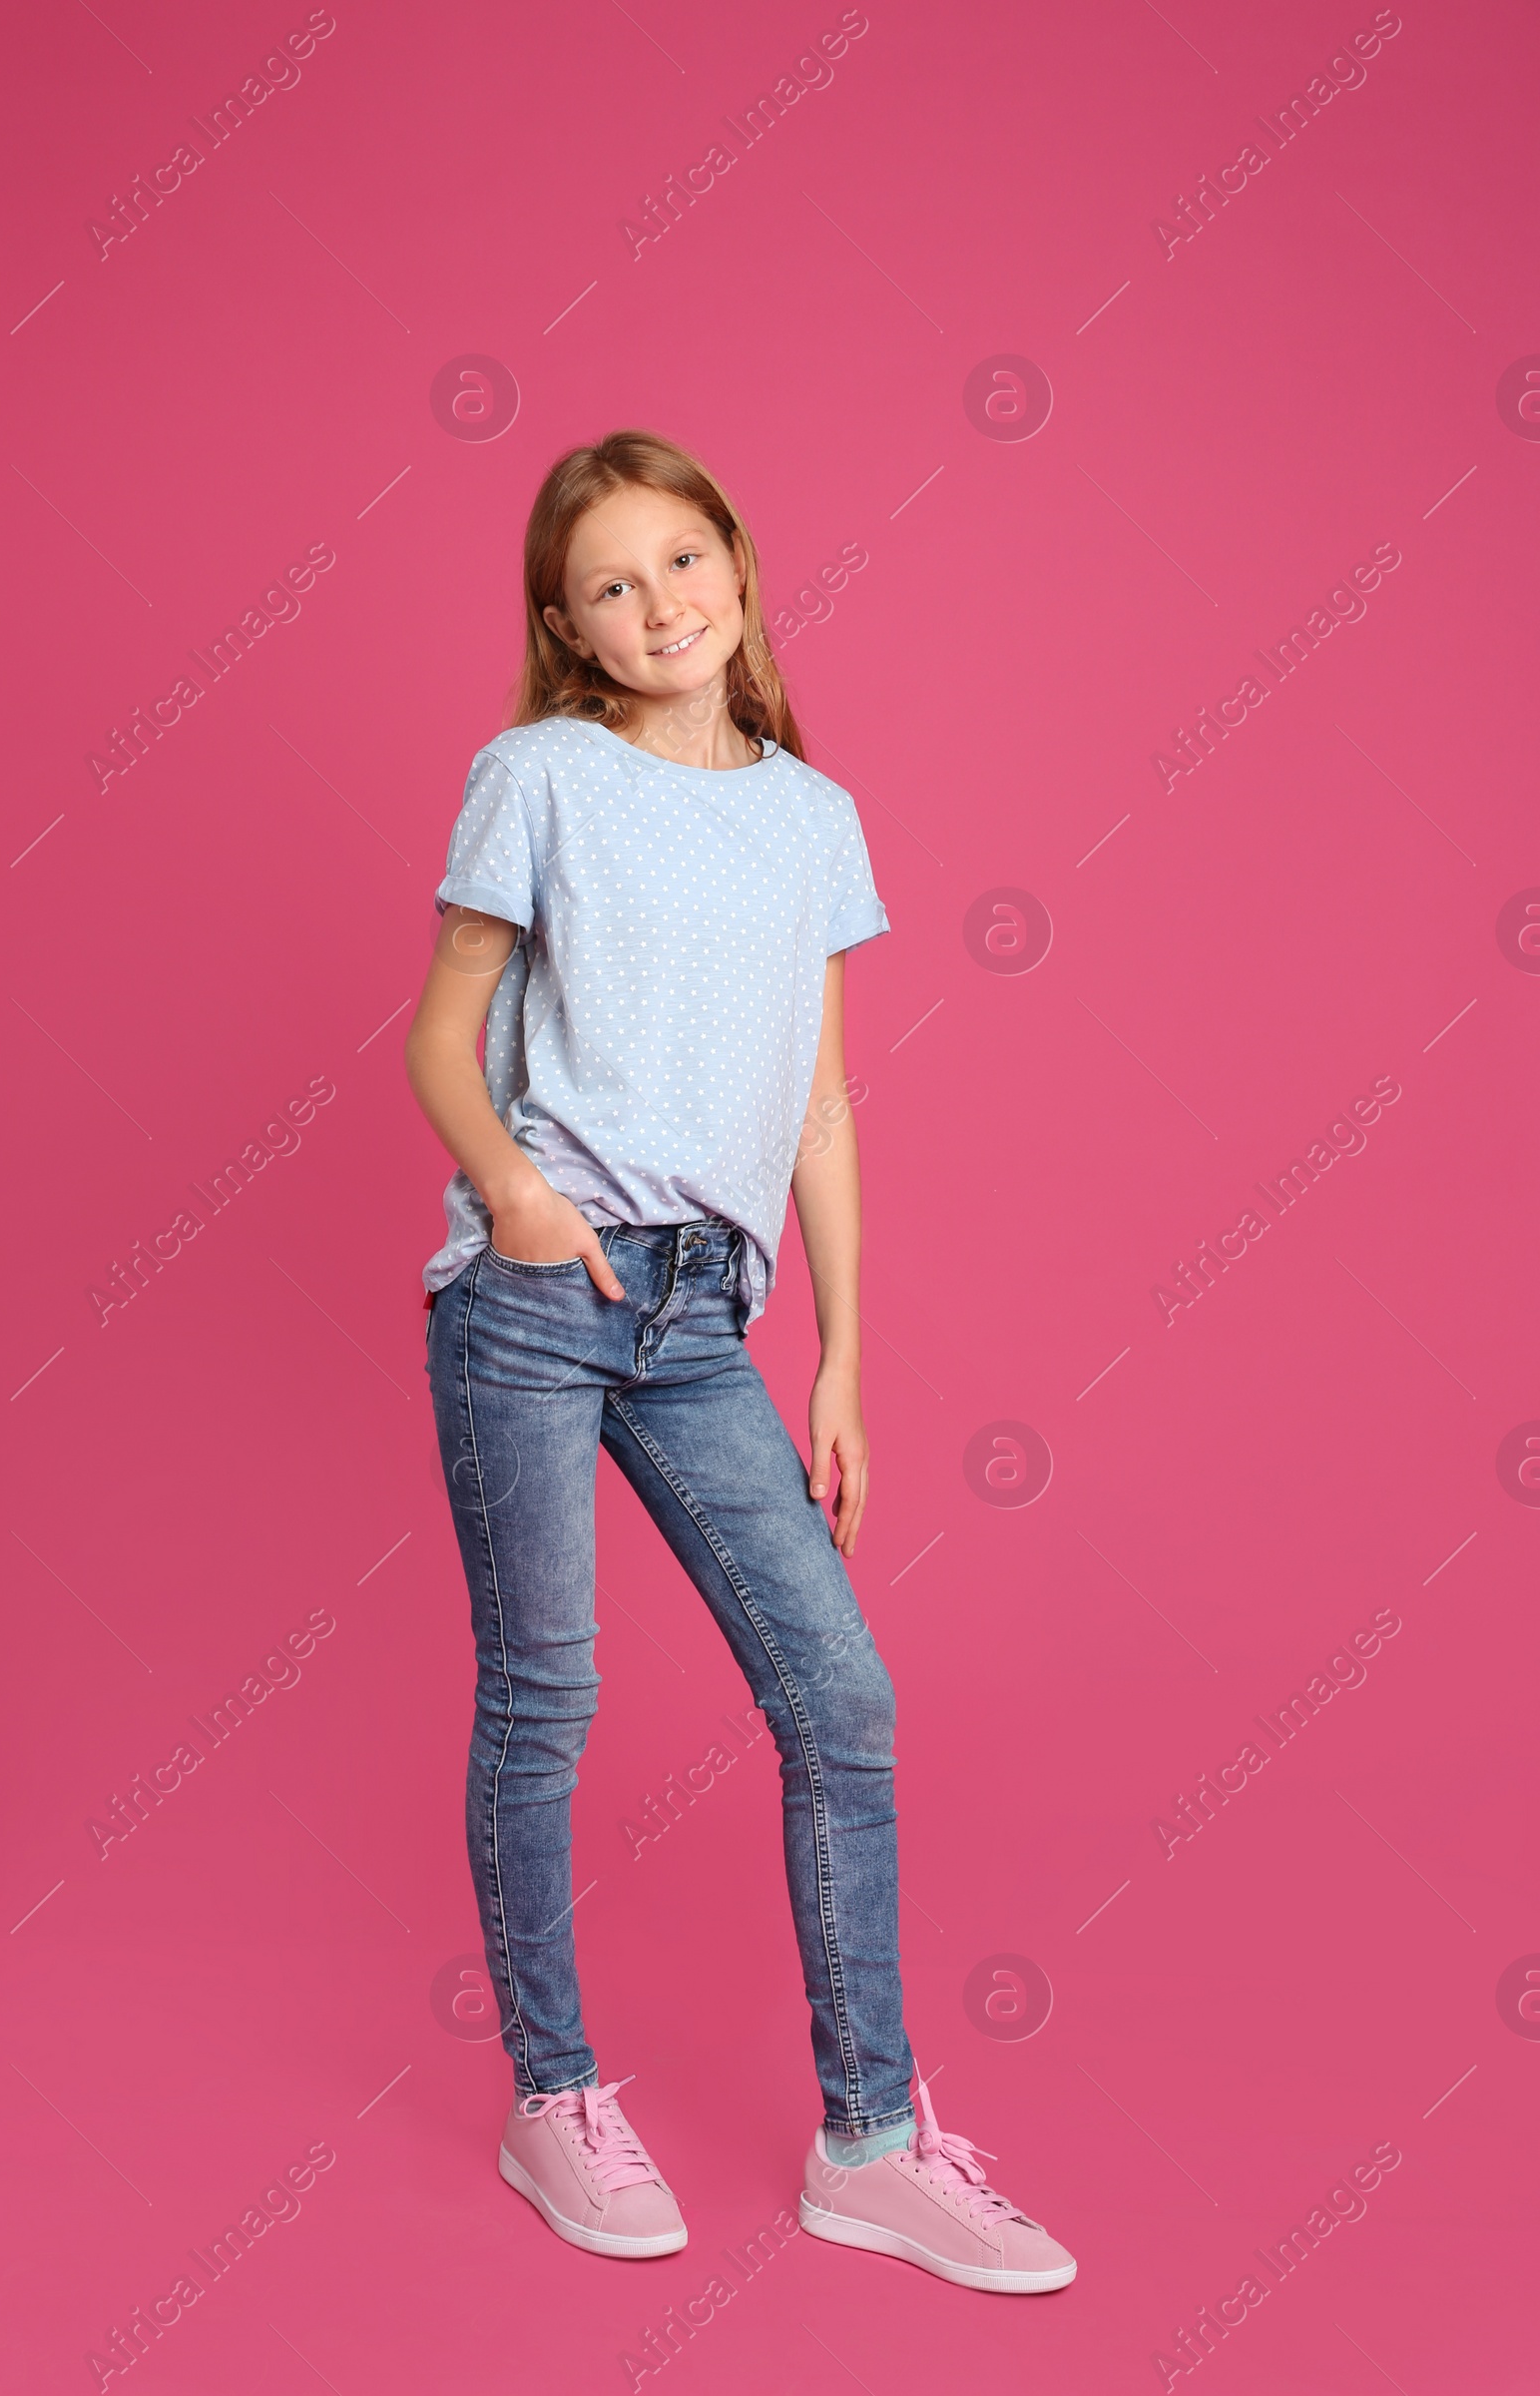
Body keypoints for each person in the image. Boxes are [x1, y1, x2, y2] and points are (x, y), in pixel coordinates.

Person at [404, 430, 1075, 2294]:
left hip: (708, 1320)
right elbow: (440, 1042)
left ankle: (872, 2139)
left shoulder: (810, 814)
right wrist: (522, 1204)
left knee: (838, 1699)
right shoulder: (535, 776)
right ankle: (554, 2096)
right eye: (611, 583)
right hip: (537, 1302)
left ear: (739, 569)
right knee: (550, 1699)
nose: (659, 602)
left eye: (682, 560)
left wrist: (844, 1369)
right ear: (570, 625)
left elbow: (822, 1104)